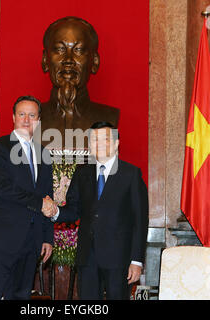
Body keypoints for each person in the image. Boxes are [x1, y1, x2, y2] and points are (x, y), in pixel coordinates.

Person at [42, 121, 149, 300]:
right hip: (87, 258)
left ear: (116, 143)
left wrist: (137, 261)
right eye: (94, 140)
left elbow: (140, 220)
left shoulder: (131, 174)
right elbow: (73, 210)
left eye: (104, 139)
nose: (98, 144)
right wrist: (55, 212)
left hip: (119, 258)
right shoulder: (82, 173)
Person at [0, 95, 57, 300]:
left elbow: (48, 196)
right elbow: (4, 188)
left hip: (31, 243)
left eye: (32, 115)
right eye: (22, 114)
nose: (26, 120)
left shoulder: (44, 154)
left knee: (21, 298)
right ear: (13, 117)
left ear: (38, 121)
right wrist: (40, 203)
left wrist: (47, 238)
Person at [40, 16, 120, 150]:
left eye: (78, 50)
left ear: (95, 61)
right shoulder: (30, 120)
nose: (68, 60)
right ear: (45, 60)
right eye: (60, 49)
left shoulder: (108, 117)